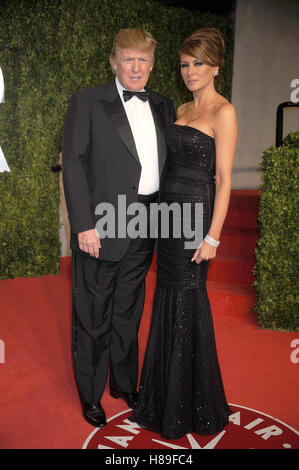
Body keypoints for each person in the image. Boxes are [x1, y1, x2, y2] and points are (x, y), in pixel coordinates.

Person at [62, 28, 175, 428]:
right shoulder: (89, 100)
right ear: (114, 61)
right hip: (102, 224)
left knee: (128, 310)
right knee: (93, 314)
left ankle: (125, 383)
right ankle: (91, 394)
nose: (136, 67)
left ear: (152, 65)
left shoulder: (163, 104)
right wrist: (84, 225)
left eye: (143, 60)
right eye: (128, 58)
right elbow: (73, 164)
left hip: (147, 222)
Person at [130, 28, 238, 439]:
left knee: (188, 298)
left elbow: (225, 180)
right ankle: (163, 397)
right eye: (185, 64)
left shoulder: (223, 112)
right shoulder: (180, 106)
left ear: (215, 67)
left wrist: (212, 237)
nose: (190, 71)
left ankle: (191, 404)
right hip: (168, 216)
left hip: (196, 215)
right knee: (167, 296)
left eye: (198, 64)